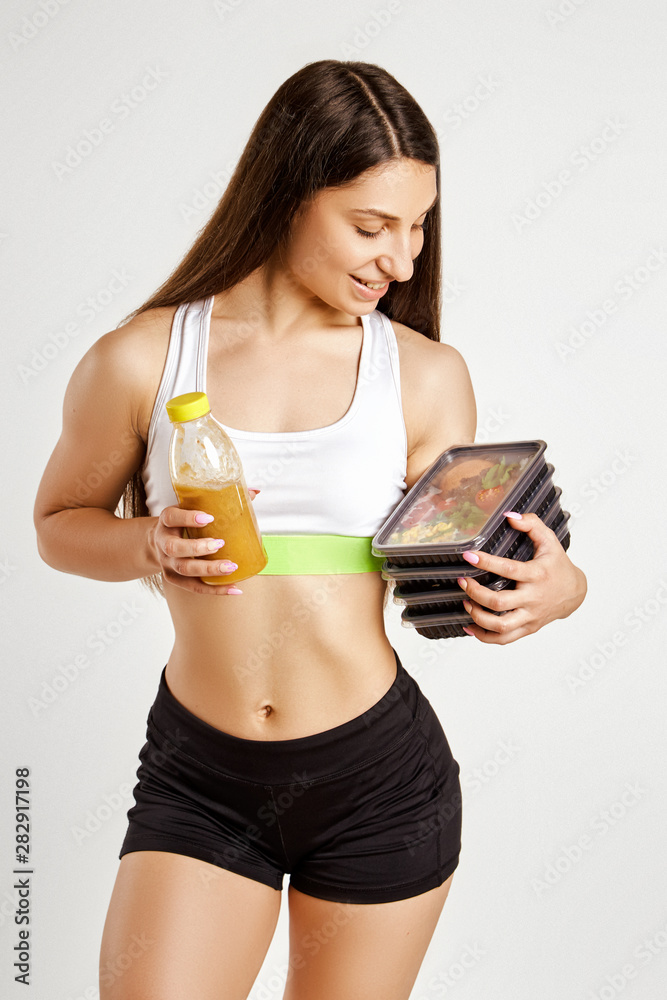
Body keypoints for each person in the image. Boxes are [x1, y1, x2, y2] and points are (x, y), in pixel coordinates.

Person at [33, 59, 586, 1000]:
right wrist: (143, 546)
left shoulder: (423, 374)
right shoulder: (140, 358)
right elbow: (56, 524)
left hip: (380, 781)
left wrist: (555, 589)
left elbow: (472, 554)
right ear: (289, 194)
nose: (402, 260)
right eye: (372, 227)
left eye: (418, 228)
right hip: (200, 779)